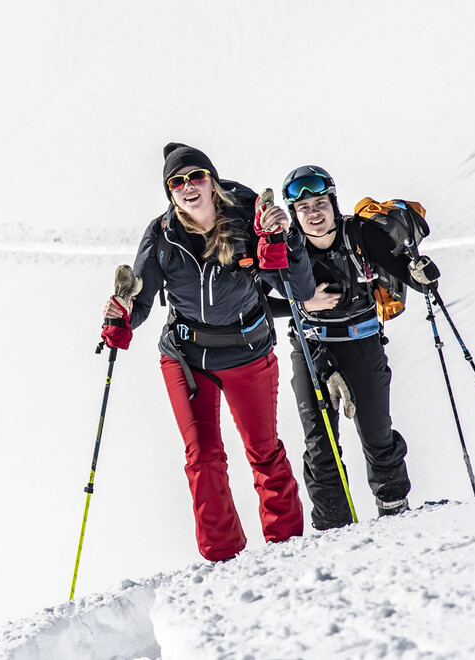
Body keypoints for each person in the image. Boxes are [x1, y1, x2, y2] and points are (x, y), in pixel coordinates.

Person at [100, 143, 316, 562]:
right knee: (203, 457)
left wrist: (285, 237)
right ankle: (223, 560)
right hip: (185, 356)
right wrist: (122, 312)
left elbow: (299, 290)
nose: (188, 187)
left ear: (211, 180)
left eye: (196, 176)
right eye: (176, 182)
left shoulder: (249, 217)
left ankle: (287, 552)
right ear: (170, 192)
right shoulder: (162, 235)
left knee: (264, 450)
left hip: (247, 352)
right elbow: (141, 300)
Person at [273, 165, 440, 531]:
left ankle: (394, 514)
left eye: (320, 203)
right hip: (311, 349)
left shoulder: (359, 235)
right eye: (304, 208)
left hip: (362, 344)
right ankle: (333, 531)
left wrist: (424, 276)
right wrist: (301, 306)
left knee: (378, 436)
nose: (314, 214)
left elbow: (406, 271)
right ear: (293, 214)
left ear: (333, 203)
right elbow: (256, 302)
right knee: (321, 447)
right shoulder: (285, 250)